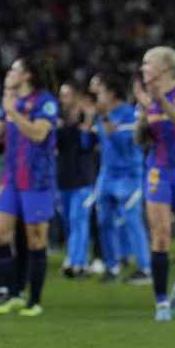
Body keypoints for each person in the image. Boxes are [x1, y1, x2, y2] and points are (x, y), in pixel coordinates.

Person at [133, 46, 175, 322]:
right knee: (160, 236)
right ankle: (161, 302)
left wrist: (160, 101)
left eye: (146, 63)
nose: (142, 69)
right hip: (158, 170)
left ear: (162, 68)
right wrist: (142, 115)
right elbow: (140, 139)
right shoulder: (147, 98)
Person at [0, 57, 59, 317]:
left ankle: (34, 301)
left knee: (35, 239)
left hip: (37, 180)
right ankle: (10, 293)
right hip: (11, 178)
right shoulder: (9, 101)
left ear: (27, 75)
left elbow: (39, 134)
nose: (9, 73)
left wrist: (13, 112)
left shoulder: (45, 101)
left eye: (14, 69)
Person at [83, 72, 151, 285]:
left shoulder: (130, 115)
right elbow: (89, 144)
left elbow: (130, 145)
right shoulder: (103, 117)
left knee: (132, 220)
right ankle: (111, 267)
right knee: (104, 222)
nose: (97, 97)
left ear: (111, 93)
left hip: (129, 175)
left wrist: (109, 126)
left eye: (101, 91)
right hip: (107, 175)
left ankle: (145, 268)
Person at [56, 82, 96, 279]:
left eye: (68, 95)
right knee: (69, 223)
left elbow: (87, 145)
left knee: (78, 220)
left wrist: (87, 122)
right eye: (62, 96)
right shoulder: (58, 121)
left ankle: (76, 263)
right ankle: (78, 259)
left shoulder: (87, 122)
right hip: (63, 178)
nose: (64, 100)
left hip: (84, 179)